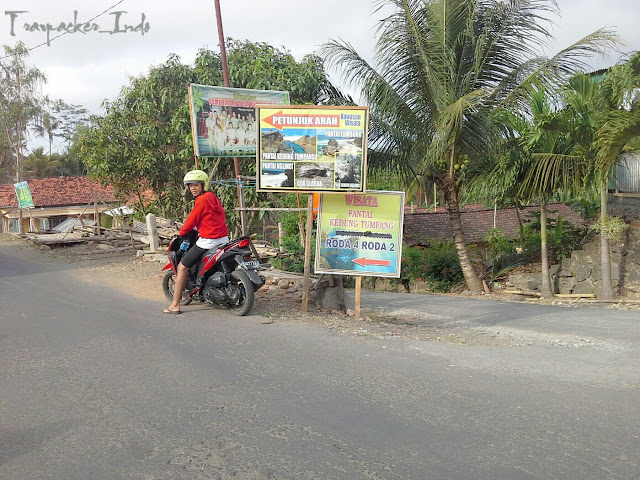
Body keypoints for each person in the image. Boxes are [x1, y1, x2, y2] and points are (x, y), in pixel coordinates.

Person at [163, 170, 229, 314]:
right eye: (190, 185)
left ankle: (175, 305)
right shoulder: (212, 197)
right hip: (223, 239)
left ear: (203, 185)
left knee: (182, 267)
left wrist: (181, 232)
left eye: (196, 185)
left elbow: (192, 219)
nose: (193, 188)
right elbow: (207, 218)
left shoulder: (201, 200)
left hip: (208, 241)